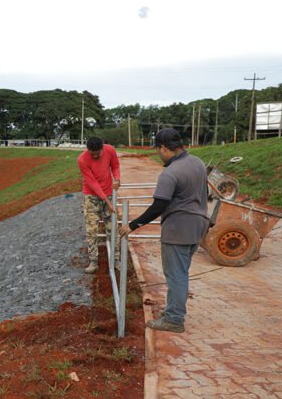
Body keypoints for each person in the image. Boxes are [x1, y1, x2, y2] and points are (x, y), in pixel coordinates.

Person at [120, 128, 208, 333]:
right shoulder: (197, 163)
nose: (158, 154)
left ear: (163, 147)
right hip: (197, 226)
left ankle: (174, 320)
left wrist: (133, 225)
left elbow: (158, 206)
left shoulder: (170, 173)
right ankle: (172, 312)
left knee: (176, 275)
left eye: (158, 149)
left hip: (178, 229)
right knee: (181, 272)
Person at [77, 136, 121, 273]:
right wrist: (108, 202)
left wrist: (117, 179)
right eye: (92, 154)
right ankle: (93, 261)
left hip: (108, 192)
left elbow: (115, 166)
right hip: (91, 195)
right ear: (88, 150)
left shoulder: (110, 150)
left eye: (98, 153)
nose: (95, 156)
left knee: (112, 227)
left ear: (103, 148)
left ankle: (116, 259)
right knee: (92, 229)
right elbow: (93, 184)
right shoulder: (82, 160)